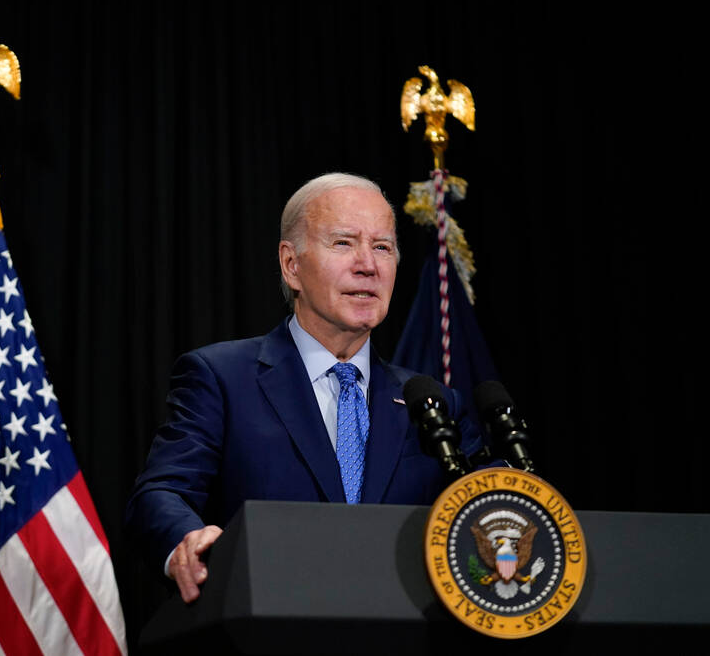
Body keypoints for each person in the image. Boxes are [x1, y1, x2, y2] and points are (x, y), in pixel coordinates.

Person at [125, 172, 483, 603]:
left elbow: (484, 516)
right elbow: (161, 493)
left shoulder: (432, 403)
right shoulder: (221, 377)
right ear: (291, 264)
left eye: (382, 247)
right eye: (343, 243)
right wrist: (187, 540)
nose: (367, 264)